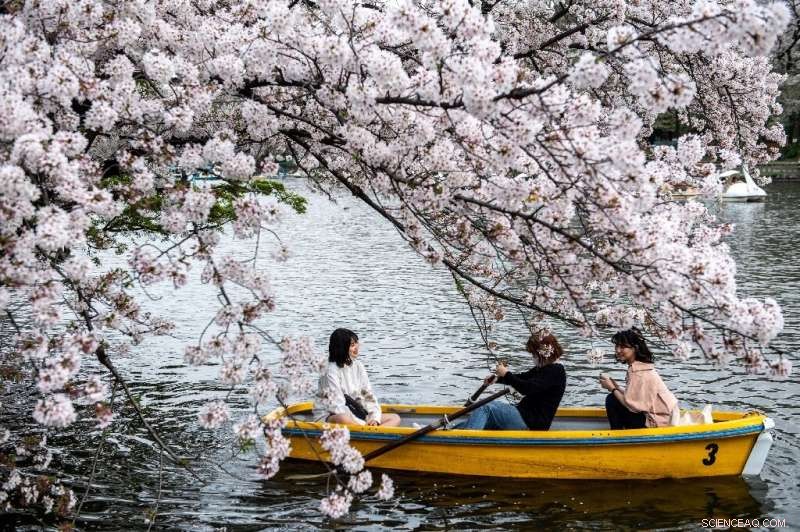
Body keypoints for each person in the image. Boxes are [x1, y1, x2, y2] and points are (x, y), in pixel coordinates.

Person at [457, 331, 567, 431]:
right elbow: (522, 377)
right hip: (522, 414)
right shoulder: (544, 368)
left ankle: (466, 441)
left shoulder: (556, 371)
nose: (533, 357)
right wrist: (497, 379)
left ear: (543, 353)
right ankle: (452, 434)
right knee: (473, 419)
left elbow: (527, 388)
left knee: (485, 407)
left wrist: (506, 374)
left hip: (532, 423)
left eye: (533, 354)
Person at [316, 328, 401, 427]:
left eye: (356, 343)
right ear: (341, 348)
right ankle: (371, 434)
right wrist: (363, 424)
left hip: (356, 412)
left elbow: (368, 395)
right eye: (352, 345)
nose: (357, 347)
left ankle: (372, 435)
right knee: (343, 418)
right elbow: (336, 406)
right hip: (331, 415)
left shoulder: (358, 366)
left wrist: (374, 418)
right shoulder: (330, 370)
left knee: (395, 418)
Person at [599, 328, 678, 429]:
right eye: (617, 346)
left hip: (657, 421)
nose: (618, 350)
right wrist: (616, 387)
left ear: (635, 348)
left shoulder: (640, 373)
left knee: (612, 399)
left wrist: (612, 389)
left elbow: (632, 407)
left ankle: (616, 436)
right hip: (660, 416)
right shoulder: (640, 367)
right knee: (614, 397)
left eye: (623, 347)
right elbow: (635, 398)